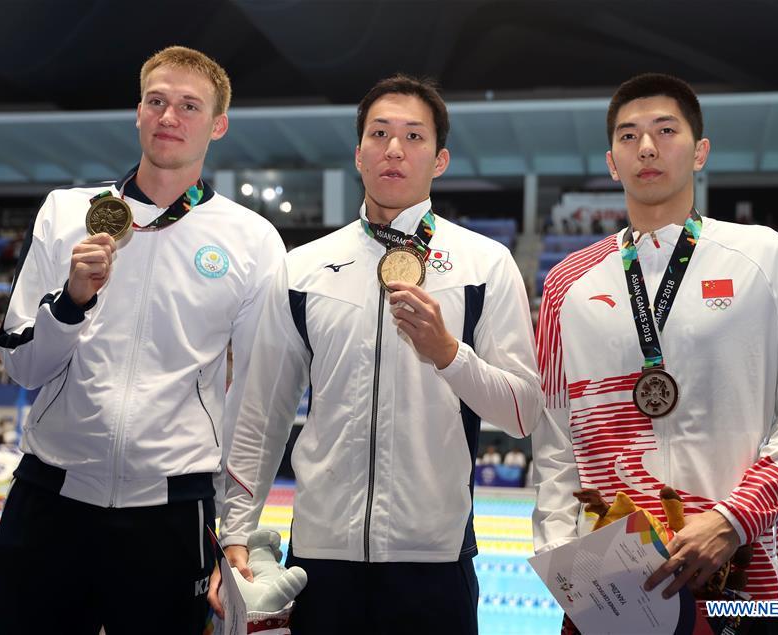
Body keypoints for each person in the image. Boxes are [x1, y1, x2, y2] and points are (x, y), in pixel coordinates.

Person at [210, 74, 543, 634]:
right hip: (322, 559)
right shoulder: (302, 269)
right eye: (379, 133)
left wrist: (448, 354)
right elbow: (260, 412)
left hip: (435, 560)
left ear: (440, 159)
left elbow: (522, 412)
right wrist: (236, 532)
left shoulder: (484, 265)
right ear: (358, 154)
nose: (394, 148)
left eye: (414, 137)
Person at [0, 46, 285, 634]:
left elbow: (258, 399)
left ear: (218, 125)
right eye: (157, 101)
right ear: (138, 113)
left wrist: (235, 533)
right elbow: (22, 367)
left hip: (172, 516)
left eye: (188, 105)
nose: (169, 116)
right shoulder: (67, 212)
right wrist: (72, 301)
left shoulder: (252, 241)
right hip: (51, 500)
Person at [531, 73, 778, 633]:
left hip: (745, 574)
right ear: (611, 162)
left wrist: (731, 520)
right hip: (611, 587)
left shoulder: (767, 259)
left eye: (665, 131)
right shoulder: (566, 284)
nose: (646, 147)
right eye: (629, 136)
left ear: (700, 152)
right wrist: (564, 559)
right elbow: (555, 441)